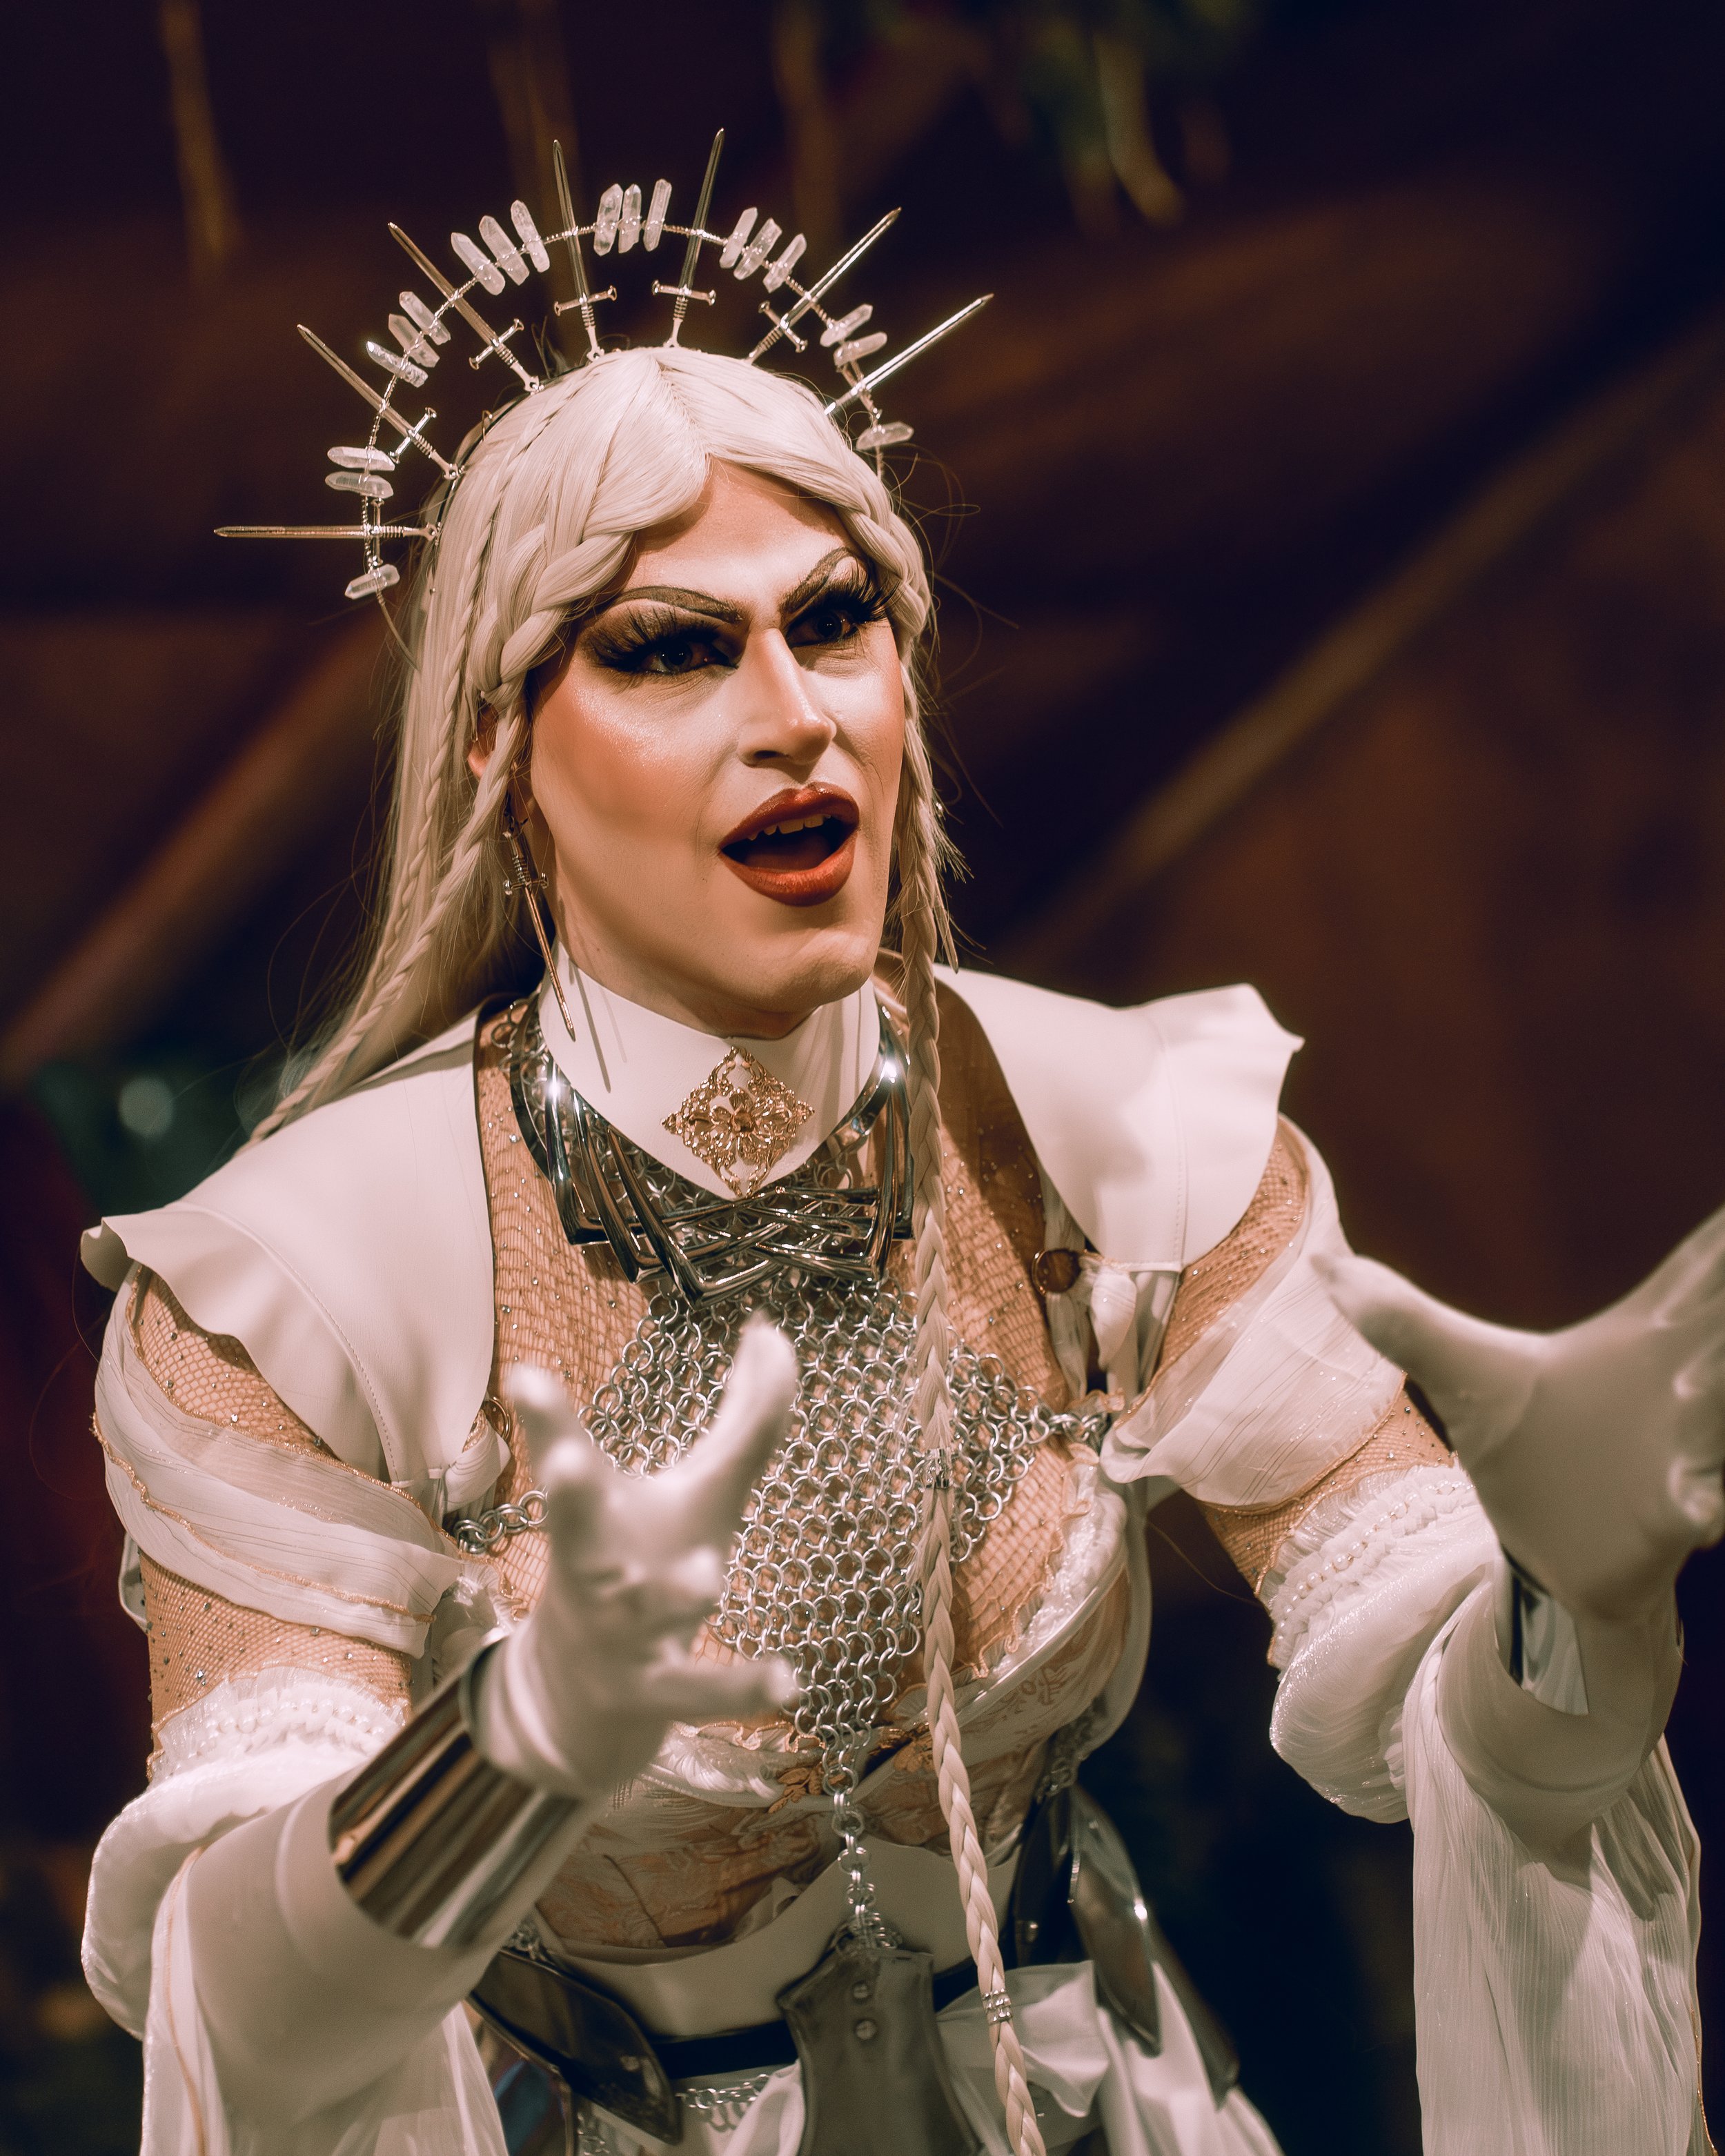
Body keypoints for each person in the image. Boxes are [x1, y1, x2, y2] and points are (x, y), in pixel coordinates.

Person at [78, 239, 1717, 2156]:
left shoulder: (1129, 1135)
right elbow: (237, 2019)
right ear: (500, 746)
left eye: (834, 619)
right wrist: (511, 1751)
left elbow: (1419, 1739)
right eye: (673, 647)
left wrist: (1579, 1613)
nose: (793, 710)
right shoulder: (298, 1287)